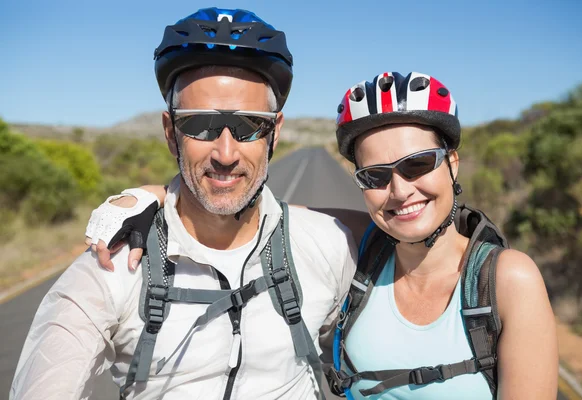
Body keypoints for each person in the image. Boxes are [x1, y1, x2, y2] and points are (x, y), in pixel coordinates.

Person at [87, 71, 559, 399]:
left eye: (418, 165)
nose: (399, 191)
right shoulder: (364, 245)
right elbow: (255, 210)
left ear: (451, 163)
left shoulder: (505, 281)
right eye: (374, 176)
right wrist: (142, 197)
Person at [11, 8, 356, 400]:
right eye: (199, 124)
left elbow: (420, 234)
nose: (225, 153)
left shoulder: (328, 245)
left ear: (273, 133)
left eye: (249, 126)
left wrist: (149, 191)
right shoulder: (115, 264)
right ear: (170, 133)